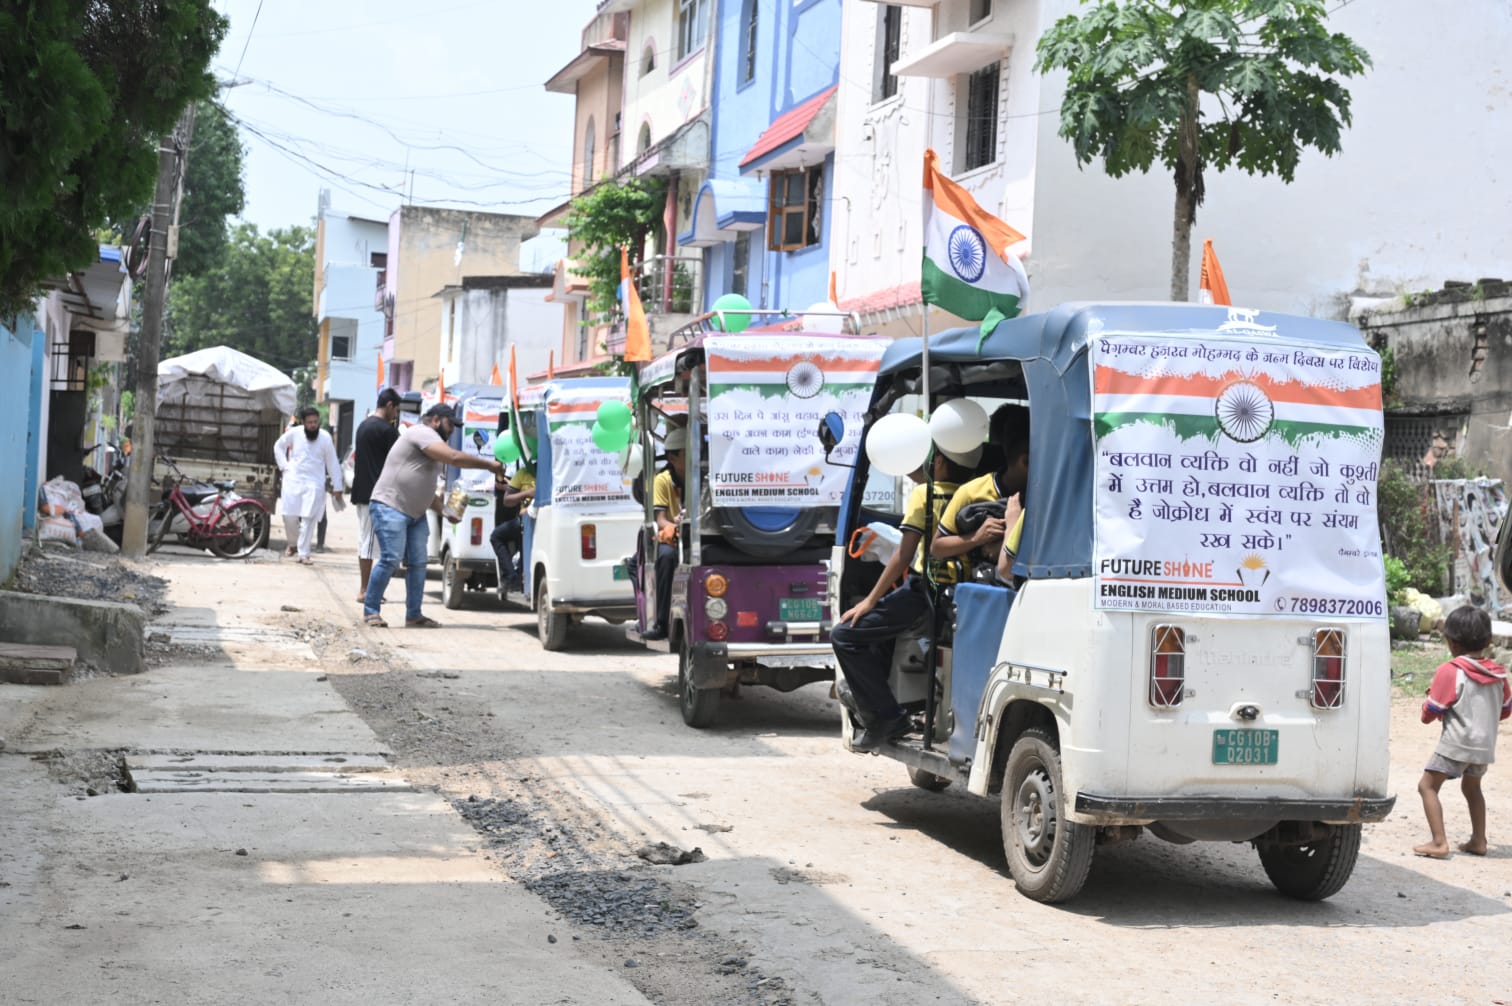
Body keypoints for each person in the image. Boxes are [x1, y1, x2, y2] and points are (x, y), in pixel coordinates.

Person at [831, 443, 981, 752]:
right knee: (881, 636)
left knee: (845, 636)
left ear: (938, 461)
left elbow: (903, 555)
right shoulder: (974, 492)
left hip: (922, 589)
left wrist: (870, 600)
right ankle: (881, 704)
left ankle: (886, 716)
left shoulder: (925, 495)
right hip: (959, 591)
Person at [363, 403, 503, 628]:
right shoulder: (421, 432)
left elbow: (425, 490)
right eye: (450, 425)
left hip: (415, 513)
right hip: (390, 505)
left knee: (419, 563)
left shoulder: (434, 447)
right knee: (391, 558)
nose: (451, 431)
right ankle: (371, 611)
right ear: (436, 420)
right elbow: (455, 458)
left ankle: (414, 615)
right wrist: (489, 465)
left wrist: (446, 511)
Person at [1413, 605, 1511, 859]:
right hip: (1484, 746)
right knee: (1472, 788)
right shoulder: (1500, 675)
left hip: (1456, 744)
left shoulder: (1451, 671)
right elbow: (1504, 711)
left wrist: (1428, 703)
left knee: (1427, 787)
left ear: (1452, 643)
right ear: (1489, 641)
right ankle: (1479, 841)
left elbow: (1429, 714)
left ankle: (1438, 842)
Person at [930, 405, 1030, 572]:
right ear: (1024, 461)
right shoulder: (971, 492)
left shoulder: (1048, 494)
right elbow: (937, 548)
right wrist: (976, 538)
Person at [273, 407, 344, 565]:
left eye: (315, 422)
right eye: (310, 422)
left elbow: (332, 462)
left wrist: (337, 486)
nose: (313, 425)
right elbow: (278, 446)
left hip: (314, 483)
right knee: (288, 516)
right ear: (303, 423)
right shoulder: (295, 433)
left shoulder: (325, 437)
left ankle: (304, 554)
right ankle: (293, 544)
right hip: (293, 479)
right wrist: (284, 466)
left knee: (308, 518)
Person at [350, 389, 402, 602]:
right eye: (396, 410)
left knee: (367, 541)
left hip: (363, 491)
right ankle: (365, 591)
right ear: (389, 405)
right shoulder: (386, 431)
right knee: (369, 545)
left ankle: (369, 589)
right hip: (375, 495)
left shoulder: (363, 425)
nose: (396, 415)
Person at [642, 427, 687, 641]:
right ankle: (661, 623)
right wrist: (676, 524)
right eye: (688, 453)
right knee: (666, 558)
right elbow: (660, 520)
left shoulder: (703, 475)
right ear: (673, 457)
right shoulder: (662, 480)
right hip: (675, 534)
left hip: (701, 533)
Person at [490, 459, 535, 596]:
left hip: (543, 520)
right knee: (496, 536)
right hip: (524, 521)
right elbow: (507, 500)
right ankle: (512, 577)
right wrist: (526, 493)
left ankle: (514, 577)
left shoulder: (552, 472)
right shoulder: (523, 473)